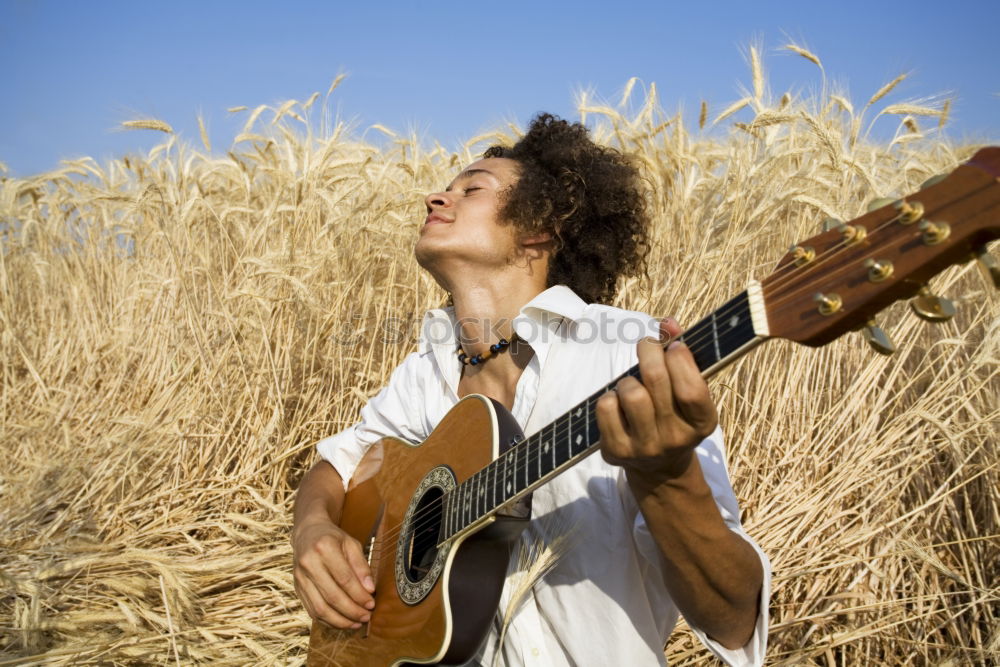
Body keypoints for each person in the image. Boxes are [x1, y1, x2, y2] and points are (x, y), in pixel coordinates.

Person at [292, 114, 770, 666]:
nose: (436, 198)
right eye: (446, 189)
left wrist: (667, 477)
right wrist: (313, 528)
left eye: (471, 188)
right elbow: (340, 467)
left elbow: (734, 621)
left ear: (538, 230)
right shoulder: (425, 370)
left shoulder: (629, 354)